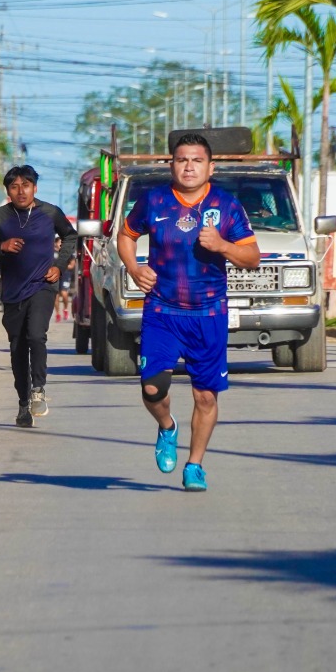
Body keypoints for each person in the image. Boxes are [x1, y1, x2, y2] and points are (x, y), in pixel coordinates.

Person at [119, 132, 260, 493]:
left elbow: (252, 257)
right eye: (182, 159)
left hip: (208, 313)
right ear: (172, 164)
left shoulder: (227, 206)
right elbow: (126, 235)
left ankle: (195, 465)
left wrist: (223, 245)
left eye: (197, 160)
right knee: (152, 387)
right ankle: (167, 427)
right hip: (162, 311)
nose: (189, 166)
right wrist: (135, 269)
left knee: (206, 396)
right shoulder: (153, 201)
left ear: (211, 167)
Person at [0, 165, 77, 428]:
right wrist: (1, 247)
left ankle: (38, 389)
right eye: (15, 187)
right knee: (18, 347)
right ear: (8, 191)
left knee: (36, 335)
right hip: (12, 292)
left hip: (43, 286)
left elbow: (71, 236)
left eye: (26, 185)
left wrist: (59, 266)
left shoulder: (50, 212)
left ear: (35, 188)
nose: (21, 191)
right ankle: (22, 402)